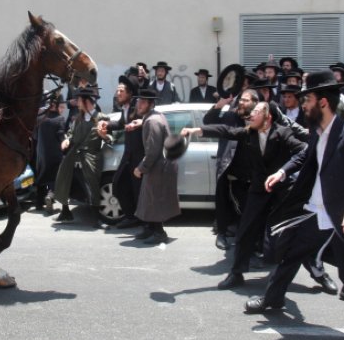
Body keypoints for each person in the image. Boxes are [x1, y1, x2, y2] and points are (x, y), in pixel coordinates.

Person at [250, 70, 344, 340]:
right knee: (291, 254)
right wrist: (283, 171)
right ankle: (273, 299)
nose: (303, 105)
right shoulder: (317, 131)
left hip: (342, 215)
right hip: (315, 211)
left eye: (307, 99)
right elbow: (306, 154)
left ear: (322, 102)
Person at [183, 102, 313, 291]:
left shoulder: (282, 133)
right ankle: (236, 273)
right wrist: (196, 130)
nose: (251, 115)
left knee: (288, 234)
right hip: (259, 189)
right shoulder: (248, 133)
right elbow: (225, 130)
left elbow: (303, 151)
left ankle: (313, 272)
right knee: (245, 230)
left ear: (268, 117)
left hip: (282, 190)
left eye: (256, 112)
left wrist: (284, 171)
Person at [202, 90, 257, 250]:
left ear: (254, 103)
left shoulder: (257, 119)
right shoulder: (230, 116)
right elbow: (208, 121)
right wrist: (219, 105)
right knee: (223, 203)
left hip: (248, 170)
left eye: (245, 100)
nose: (241, 103)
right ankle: (221, 234)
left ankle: (247, 240)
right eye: (240, 100)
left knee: (246, 207)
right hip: (227, 166)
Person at [53, 88, 109, 227]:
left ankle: (96, 218)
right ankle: (65, 211)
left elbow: (109, 137)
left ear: (86, 101)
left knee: (92, 186)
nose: (77, 103)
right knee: (65, 179)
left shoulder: (102, 117)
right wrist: (67, 140)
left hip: (91, 156)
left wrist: (104, 136)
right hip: (74, 154)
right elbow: (71, 133)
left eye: (79, 100)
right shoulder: (78, 118)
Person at [133, 88, 180, 244]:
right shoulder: (154, 116)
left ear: (151, 104)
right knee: (149, 198)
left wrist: (140, 168)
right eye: (138, 101)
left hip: (160, 165)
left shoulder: (152, 121)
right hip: (160, 164)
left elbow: (152, 151)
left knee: (155, 199)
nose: (139, 104)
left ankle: (159, 233)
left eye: (143, 102)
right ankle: (150, 228)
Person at [101, 76, 144, 229]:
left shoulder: (137, 106)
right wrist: (107, 124)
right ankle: (131, 216)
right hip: (128, 155)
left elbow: (150, 118)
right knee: (118, 183)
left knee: (139, 190)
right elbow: (121, 123)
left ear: (130, 93)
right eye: (117, 90)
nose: (117, 94)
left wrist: (141, 122)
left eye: (121, 91)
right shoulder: (125, 107)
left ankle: (143, 222)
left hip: (139, 156)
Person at [35, 94, 67, 212]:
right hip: (55, 154)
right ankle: (50, 195)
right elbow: (61, 137)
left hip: (41, 153)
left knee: (41, 177)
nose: (62, 109)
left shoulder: (40, 118)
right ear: (55, 105)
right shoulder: (59, 119)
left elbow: (35, 135)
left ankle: (39, 203)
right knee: (54, 177)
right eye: (61, 106)